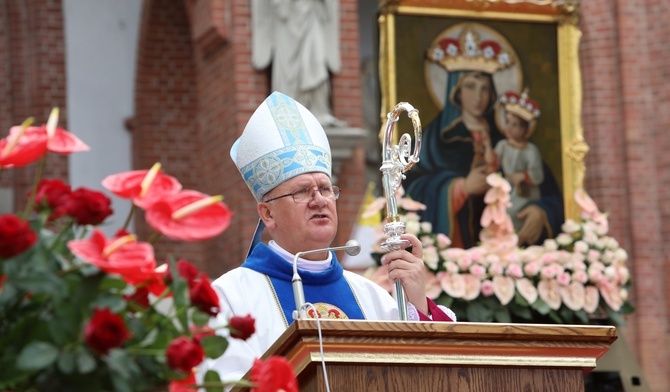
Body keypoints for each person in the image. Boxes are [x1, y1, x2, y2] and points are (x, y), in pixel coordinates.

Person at [203, 92, 455, 384]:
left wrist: (417, 304)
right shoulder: (230, 298)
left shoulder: (370, 297)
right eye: (301, 191)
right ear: (267, 214)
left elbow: (429, 377)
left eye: (325, 188)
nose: (319, 200)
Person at [405, 25, 564, 248]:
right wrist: (461, 188)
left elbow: (552, 193)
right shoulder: (436, 138)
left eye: (485, 89)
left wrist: (541, 211)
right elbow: (410, 189)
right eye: (470, 87)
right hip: (457, 251)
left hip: (508, 247)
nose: (478, 97)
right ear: (456, 92)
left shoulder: (506, 138)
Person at [250, 0, 345, 127]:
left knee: (316, 61)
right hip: (286, 22)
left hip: (312, 15)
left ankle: (318, 111)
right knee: (287, 71)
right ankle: (289, 112)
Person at [494, 90, 544, 232]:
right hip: (506, 189)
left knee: (513, 213)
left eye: (515, 125)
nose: (509, 127)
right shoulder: (502, 146)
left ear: (525, 130)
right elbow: (493, 164)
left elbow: (538, 174)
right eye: (507, 122)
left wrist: (523, 176)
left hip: (525, 193)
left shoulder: (530, 150)